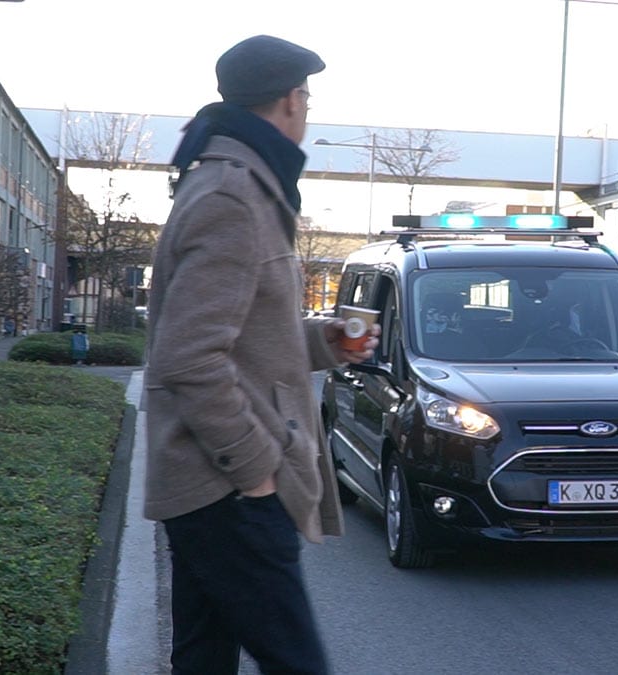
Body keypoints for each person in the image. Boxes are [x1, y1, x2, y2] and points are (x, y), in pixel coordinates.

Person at [144, 35, 377, 675]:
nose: (308, 110)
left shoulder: (234, 184)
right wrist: (256, 473)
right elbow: (188, 358)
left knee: (203, 658)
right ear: (289, 100)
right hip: (228, 488)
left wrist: (319, 342)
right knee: (297, 662)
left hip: (210, 484)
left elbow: (236, 338)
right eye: (307, 96)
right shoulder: (233, 197)